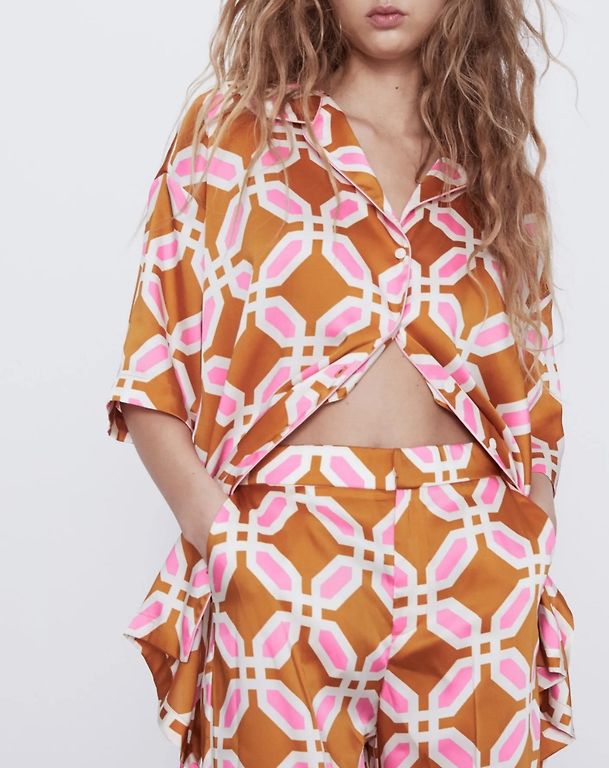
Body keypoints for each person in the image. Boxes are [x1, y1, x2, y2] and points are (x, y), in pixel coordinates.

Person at [105, 1, 576, 766]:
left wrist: (526, 541)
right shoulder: (233, 134)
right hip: (283, 554)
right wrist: (225, 543)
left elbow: (532, 393)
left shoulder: (491, 168)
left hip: (474, 562)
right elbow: (152, 363)